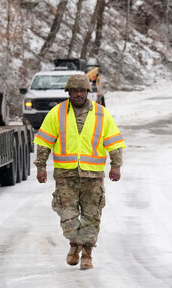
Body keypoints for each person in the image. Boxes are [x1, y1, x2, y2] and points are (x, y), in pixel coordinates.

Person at [34, 72, 125, 270]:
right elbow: (44, 143)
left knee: (92, 215)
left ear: (87, 92)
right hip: (66, 176)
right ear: (69, 92)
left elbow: (113, 142)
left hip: (93, 177)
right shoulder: (57, 113)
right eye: (74, 90)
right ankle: (74, 244)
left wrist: (116, 165)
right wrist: (41, 167)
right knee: (67, 215)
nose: (78, 94)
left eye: (82, 90)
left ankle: (87, 254)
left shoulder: (101, 114)